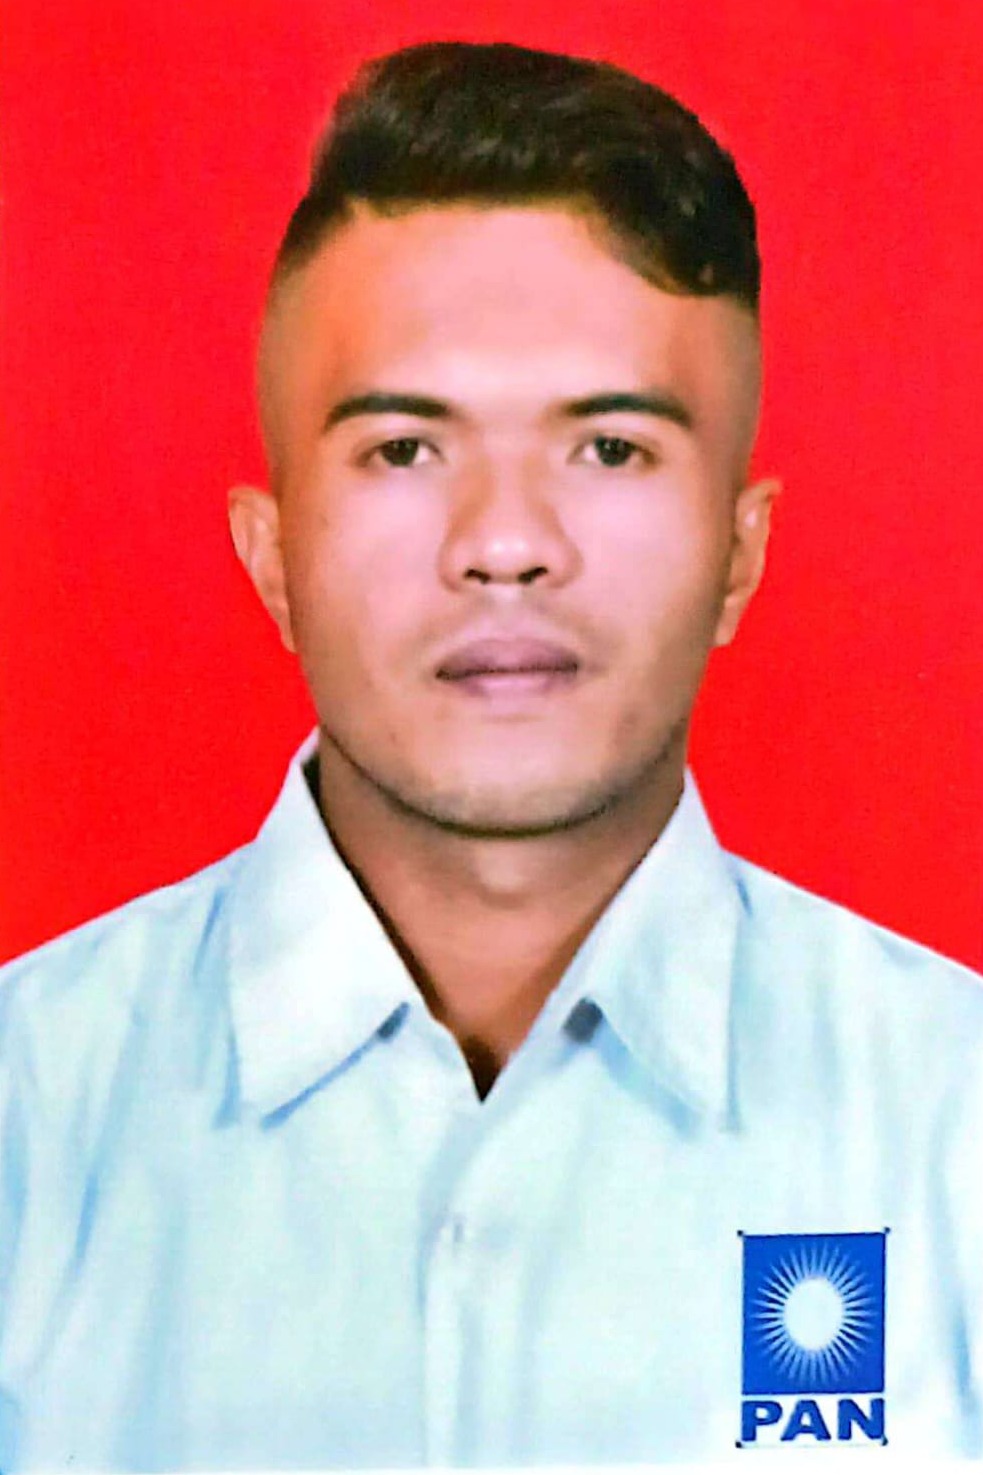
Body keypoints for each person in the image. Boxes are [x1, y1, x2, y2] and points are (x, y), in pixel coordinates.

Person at [0, 39, 980, 1470]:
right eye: (405, 450)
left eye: (611, 449)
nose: (508, 544)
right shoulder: (28, 1119)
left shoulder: (954, 1118)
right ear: (271, 559)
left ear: (740, 552)